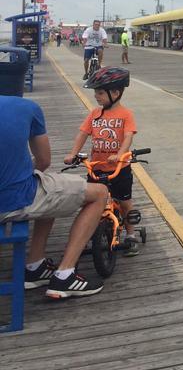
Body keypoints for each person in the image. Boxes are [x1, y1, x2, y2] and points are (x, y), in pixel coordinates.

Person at [0, 47, 107, 299]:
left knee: (50, 187)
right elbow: (44, 160)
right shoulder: (28, 108)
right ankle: (64, 275)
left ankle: (35, 265)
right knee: (99, 193)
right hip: (12, 201)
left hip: (16, 197)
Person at [64, 67, 139, 257]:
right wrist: (73, 153)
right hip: (96, 167)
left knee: (124, 202)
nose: (96, 96)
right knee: (91, 202)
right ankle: (91, 231)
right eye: (95, 92)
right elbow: (83, 134)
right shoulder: (94, 114)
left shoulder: (126, 115)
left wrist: (120, 154)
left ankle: (130, 235)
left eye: (100, 92)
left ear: (115, 92)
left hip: (119, 168)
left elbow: (128, 137)